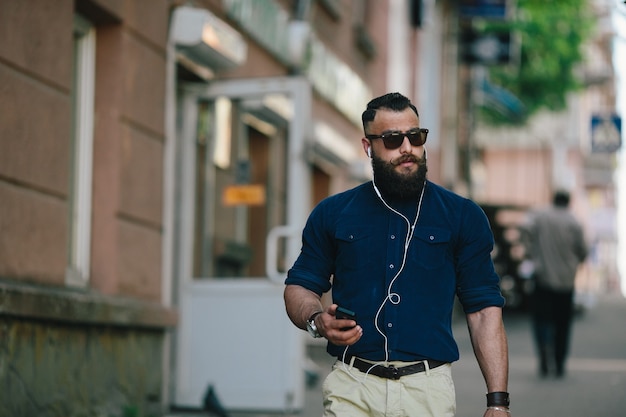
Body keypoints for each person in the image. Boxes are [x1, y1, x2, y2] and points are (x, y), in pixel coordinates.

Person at [284, 92, 511, 417]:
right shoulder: (333, 213)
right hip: (352, 384)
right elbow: (299, 286)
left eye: (415, 136)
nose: (407, 148)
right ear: (368, 146)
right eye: (392, 139)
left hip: (427, 390)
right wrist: (316, 320)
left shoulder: (463, 216)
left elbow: (483, 311)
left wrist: (498, 401)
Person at [523, 190, 587, 378]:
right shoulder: (574, 222)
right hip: (566, 281)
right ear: (568, 202)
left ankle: (543, 354)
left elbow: (524, 228)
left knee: (541, 320)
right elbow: (583, 250)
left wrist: (531, 252)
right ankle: (559, 363)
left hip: (543, 277)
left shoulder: (541, 216)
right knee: (562, 323)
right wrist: (574, 261)